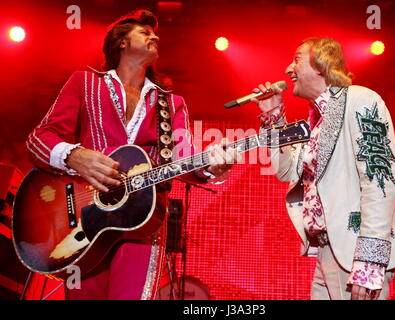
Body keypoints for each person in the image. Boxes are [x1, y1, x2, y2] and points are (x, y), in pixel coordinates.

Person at [26, 9, 238, 300]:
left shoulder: (170, 102)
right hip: (84, 220)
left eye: (155, 34)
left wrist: (210, 165)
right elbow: (39, 139)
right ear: (121, 42)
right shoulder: (84, 83)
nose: (156, 36)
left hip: (142, 223)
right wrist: (74, 157)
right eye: (144, 32)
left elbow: (182, 157)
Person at [252, 37, 395, 300]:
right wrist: (274, 118)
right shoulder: (316, 119)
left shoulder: (361, 99)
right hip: (329, 253)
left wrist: (369, 261)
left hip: (355, 254)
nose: (287, 69)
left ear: (320, 64)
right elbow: (286, 172)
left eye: (297, 59)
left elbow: (379, 180)